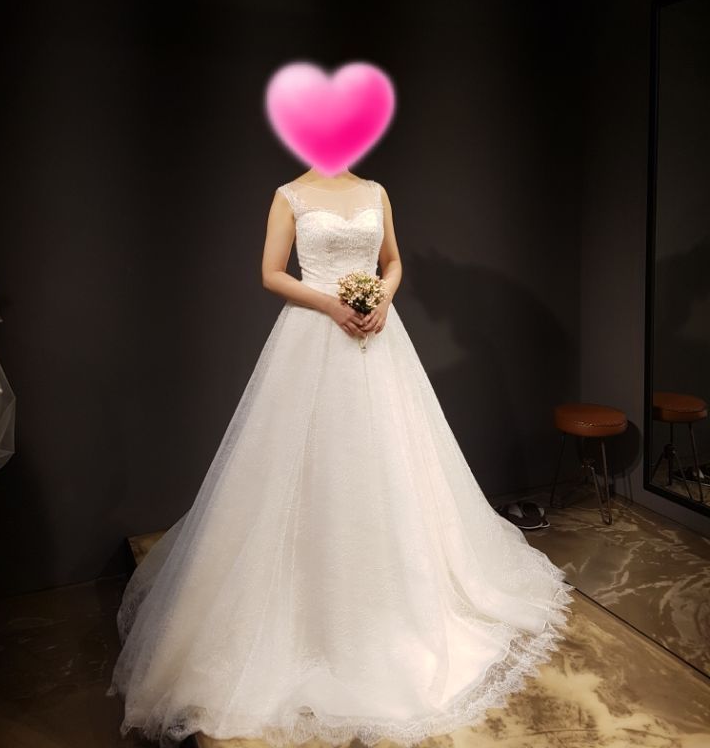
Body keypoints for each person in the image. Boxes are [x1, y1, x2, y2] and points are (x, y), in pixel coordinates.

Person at [106, 166, 575, 748]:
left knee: (393, 461)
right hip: (313, 334)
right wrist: (332, 305)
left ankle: (401, 600)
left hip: (379, 336)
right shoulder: (290, 196)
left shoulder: (377, 192)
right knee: (305, 470)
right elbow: (271, 273)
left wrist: (383, 296)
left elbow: (393, 261)